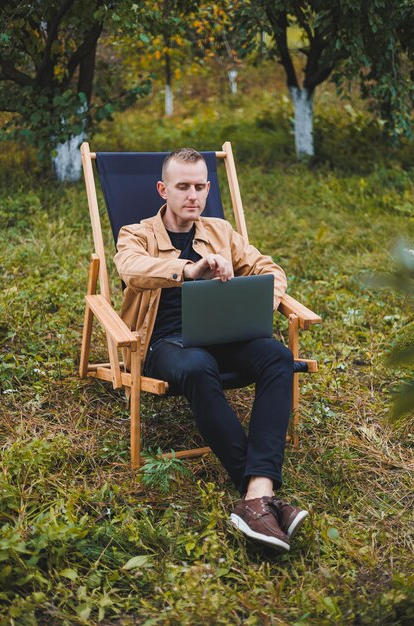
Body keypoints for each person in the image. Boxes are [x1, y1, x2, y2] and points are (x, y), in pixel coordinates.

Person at [114, 148, 308, 551]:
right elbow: (130, 267)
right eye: (183, 186)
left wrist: (252, 297)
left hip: (224, 334)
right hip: (165, 343)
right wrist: (189, 270)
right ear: (162, 189)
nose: (193, 195)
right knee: (199, 365)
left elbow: (272, 270)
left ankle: (255, 494)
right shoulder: (137, 233)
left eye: (201, 186)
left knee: (276, 356)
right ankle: (262, 494)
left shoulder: (221, 231)